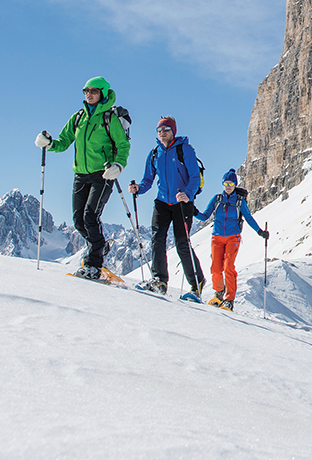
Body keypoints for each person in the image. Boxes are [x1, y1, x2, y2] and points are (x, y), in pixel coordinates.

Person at [35, 77, 129, 281]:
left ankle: (93, 265)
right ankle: (101, 246)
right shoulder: (78, 118)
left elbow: (123, 145)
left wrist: (118, 166)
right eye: (86, 90)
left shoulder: (109, 118)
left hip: (103, 174)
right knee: (79, 221)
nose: (89, 94)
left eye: (93, 91)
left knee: (90, 216)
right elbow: (63, 142)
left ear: (103, 93)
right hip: (80, 174)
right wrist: (49, 143)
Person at [128, 116, 205, 299]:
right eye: (159, 130)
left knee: (182, 244)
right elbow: (148, 179)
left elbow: (194, 176)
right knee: (157, 240)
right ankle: (159, 280)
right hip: (162, 202)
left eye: (166, 129)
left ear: (173, 131)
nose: (162, 133)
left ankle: (197, 284)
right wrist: (138, 188)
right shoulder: (155, 153)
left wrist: (188, 194)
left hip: (182, 202)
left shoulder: (184, 149)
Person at [194, 169, 268, 310]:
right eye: (226, 183)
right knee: (216, 268)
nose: (228, 186)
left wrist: (260, 231)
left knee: (228, 267)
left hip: (233, 237)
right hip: (217, 237)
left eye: (231, 183)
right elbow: (205, 216)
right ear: (222, 184)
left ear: (235, 184)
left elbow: (248, 218)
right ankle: (219, 292)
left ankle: (229, 299)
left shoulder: (239, 202)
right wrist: (193, 211)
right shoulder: (217, 199)